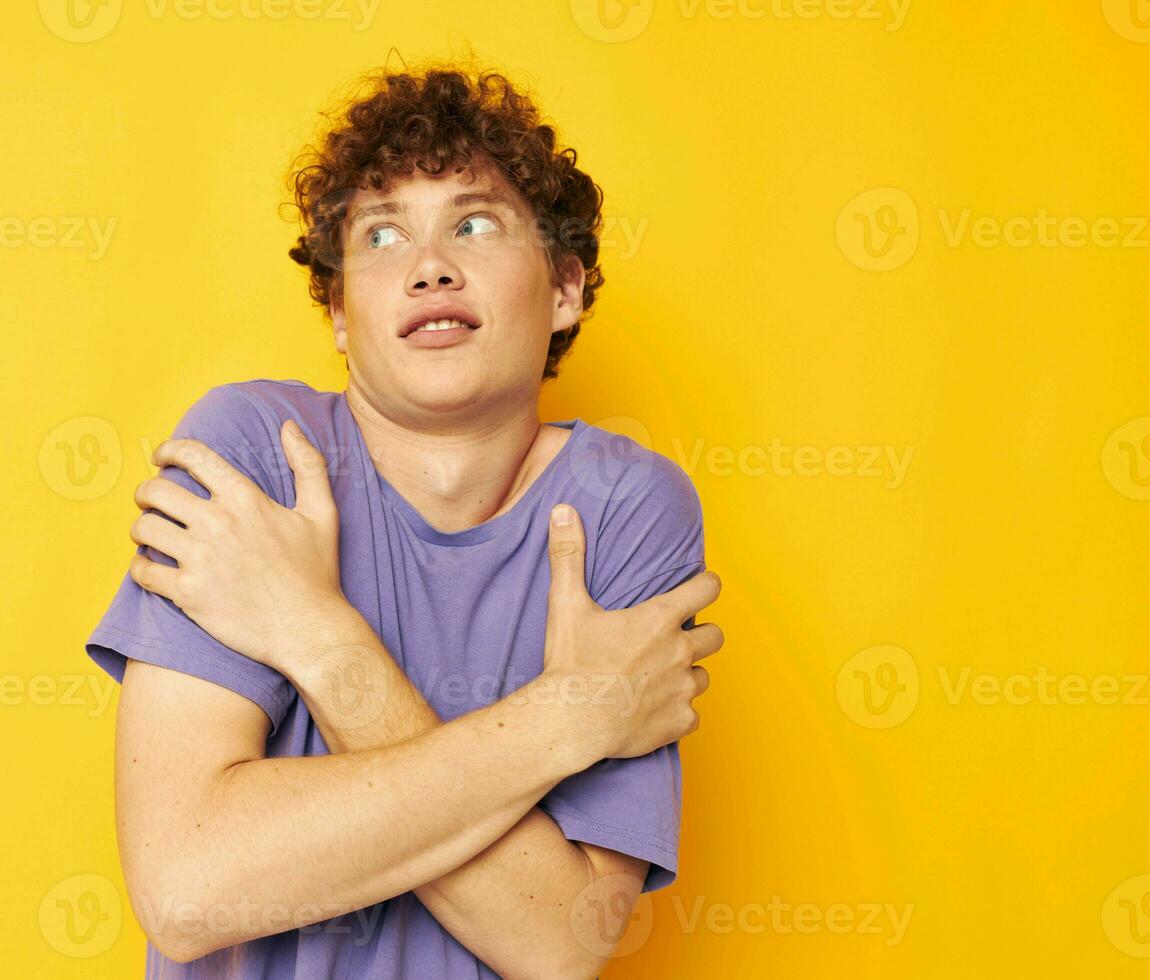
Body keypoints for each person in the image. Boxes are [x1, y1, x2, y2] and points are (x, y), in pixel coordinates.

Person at [83, 62, 723, 979]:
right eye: (381, 236)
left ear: (567, 287)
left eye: (474, 223)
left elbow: (560, 944)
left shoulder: (625, 507)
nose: (429, 265)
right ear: (340, 314)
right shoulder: (253, 451)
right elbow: (189, 888)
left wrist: (310, 630)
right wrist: (570, 717)